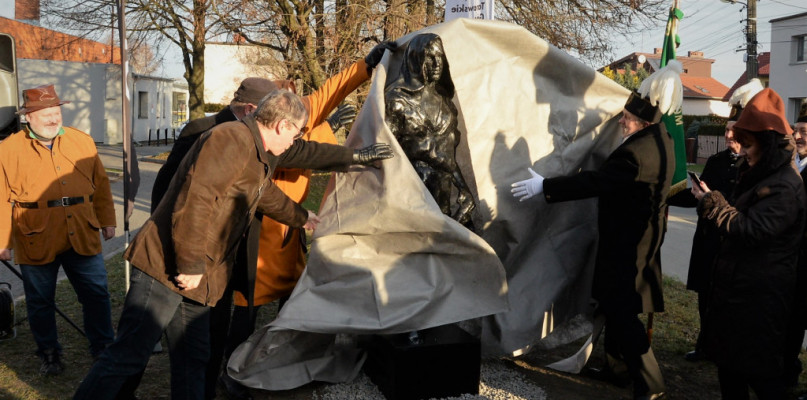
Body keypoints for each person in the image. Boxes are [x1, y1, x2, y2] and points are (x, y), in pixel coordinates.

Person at [73, 89, 393, 400]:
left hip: (199, 278)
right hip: (168, 268)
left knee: (193, 359)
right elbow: (196, 200)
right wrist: (190, 266)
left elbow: (262, 192)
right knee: (128, 355)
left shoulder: (256, 151)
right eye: (295, 134)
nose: (295, 142)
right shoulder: (230, 139)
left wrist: (299, 215)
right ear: (282, 125)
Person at [210, 43, 394, 400]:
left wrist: (364, 67)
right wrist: (329, 135)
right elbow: (304, 153)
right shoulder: (257, 139)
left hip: (290, 233)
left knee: (291, 304)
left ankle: (282, 361)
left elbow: (326, 93)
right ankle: (232, 372)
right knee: (248, 308)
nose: (300, 122)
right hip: (261, 235)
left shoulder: (290, 120)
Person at [511, 61, 685, 400]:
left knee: (621, 311)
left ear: (643, 121)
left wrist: (546, 186)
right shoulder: (660, 140)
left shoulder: (635, 153)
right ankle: (618, 370)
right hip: (638, 240)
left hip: (628, 246)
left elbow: (595, 182)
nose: (621, 121)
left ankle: (652, 385)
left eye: (627, 118)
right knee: (617, 305)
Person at [692, 88, 805, 400]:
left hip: (760, 299)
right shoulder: (760, 174)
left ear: (767, 145)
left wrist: (712, 203)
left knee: (761, 377)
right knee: (730, 370)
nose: (743, 151)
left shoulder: (784, 184)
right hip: (739, 293)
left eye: (750, 145)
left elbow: (751, 229)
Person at [0, 84, 116, 375]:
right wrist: (3, 240)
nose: (53, 119)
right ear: (28, 117)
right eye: (45, 114)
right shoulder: (8, 149)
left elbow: (100, 184)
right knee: (40, 301)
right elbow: (1, 198)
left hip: (83, 229)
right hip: (34, 234)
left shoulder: (82, 141)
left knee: (97, 294)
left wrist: (108, 220)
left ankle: (103, 347)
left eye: (56, 112)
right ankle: (49, 353)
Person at [666, 79, 761, 362]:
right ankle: (705, 345)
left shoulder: (755, 167)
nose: (730, 136)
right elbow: (699, 192)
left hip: (730, 239)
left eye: (735, 132)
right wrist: (666, 195)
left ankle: (725, 348)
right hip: (708, 238)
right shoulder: (718, 160)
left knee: (728, 301)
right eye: (728, 131)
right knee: (705, 296)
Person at [786, 109, 807, 390]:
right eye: (796, 128)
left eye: (804, 131)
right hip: (789, 262)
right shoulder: (792, 164)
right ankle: (786, 378)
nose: (797, 135)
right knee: (789, 324)